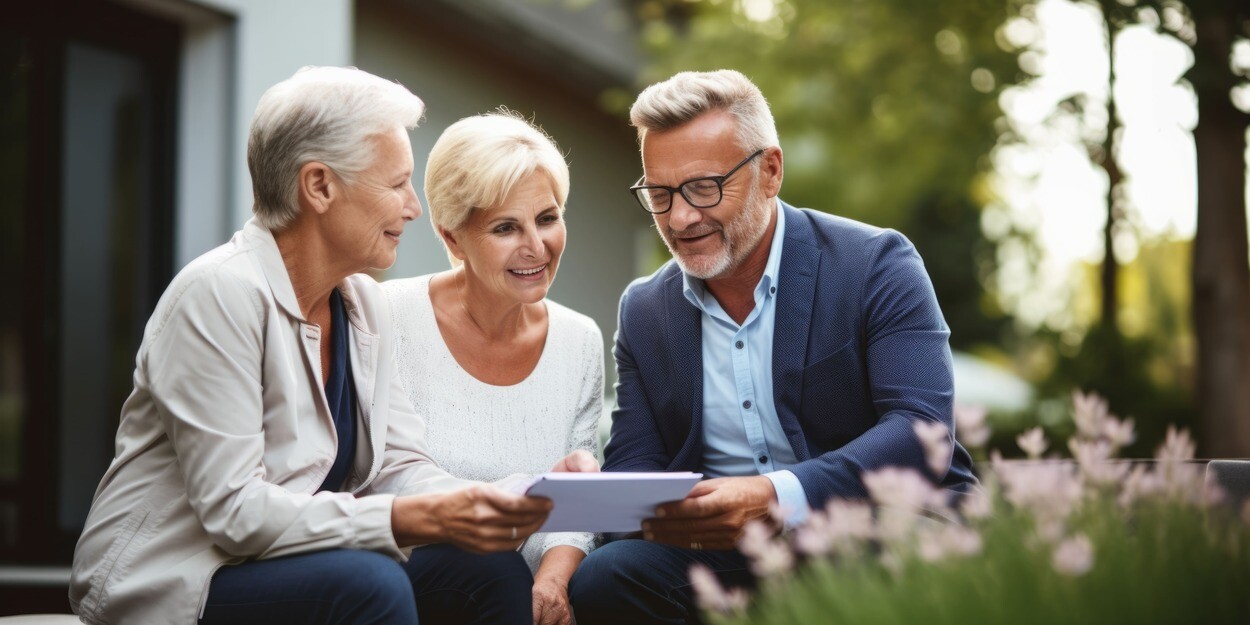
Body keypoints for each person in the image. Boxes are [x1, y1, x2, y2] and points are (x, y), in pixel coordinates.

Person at [69, 66, 593, 625]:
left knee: (486, 567)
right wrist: (405, 520)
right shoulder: (219, 293)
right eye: (396, 184)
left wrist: (521, 494)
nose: (413, 207)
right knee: (368, 584)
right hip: (182, 575)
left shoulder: (361, 303)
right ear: (319, 186)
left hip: (287, 561)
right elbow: (235, 512)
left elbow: (399, 466)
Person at [568, 69, 978, 624]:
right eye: (660, 195)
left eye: (704, 187)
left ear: (770, 171)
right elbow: (637, 459)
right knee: (605, 576)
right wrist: (603, 495)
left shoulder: (877, 264)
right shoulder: (645, 309)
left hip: (872, 527)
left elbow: (919, 430)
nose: (681, 218)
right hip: (723, 554)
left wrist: (775, 496)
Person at [382, 110, 603, 625]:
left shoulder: (579, 340)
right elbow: (379, 483)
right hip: (415, 576)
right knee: (492, 568)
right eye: (506, 228)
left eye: (547, 218)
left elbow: (578, 506)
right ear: (453, 239)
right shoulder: (386, 316)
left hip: (515, 591)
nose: (536, 247)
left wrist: (553, 581)